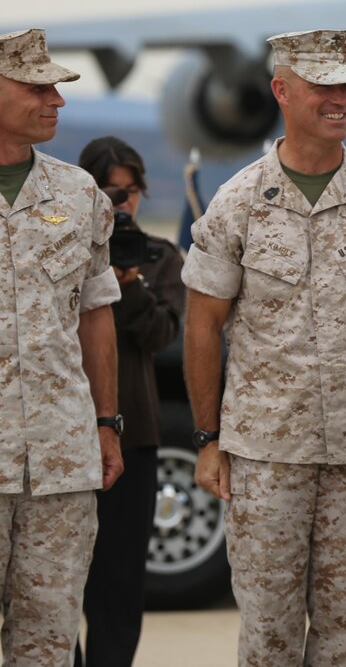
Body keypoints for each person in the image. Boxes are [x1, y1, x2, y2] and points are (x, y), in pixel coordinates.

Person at [181, 29, 346, 666]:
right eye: (323, 86)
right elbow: (201, 326)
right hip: (266, 455)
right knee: (268, 632)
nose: (339, 99)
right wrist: (207, 441)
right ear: (282, 90)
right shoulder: (238, 203)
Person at [0, 28, 123, 665]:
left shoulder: (79, 196)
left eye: (55, 87)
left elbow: (96, 315)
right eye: (36, 87)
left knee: (48, 642)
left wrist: (106, 423)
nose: (56, 100)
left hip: (59, 461)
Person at [75, 137, 185, 667]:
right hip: (64, 430)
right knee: (52, 580)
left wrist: (130, 281)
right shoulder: (61, 248)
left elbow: (163, 333)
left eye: (131, 191)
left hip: (134, 433)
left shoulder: (158, 257)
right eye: (110, 191)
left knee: (120, 582)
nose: (122, 204)